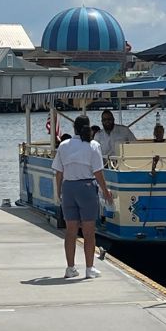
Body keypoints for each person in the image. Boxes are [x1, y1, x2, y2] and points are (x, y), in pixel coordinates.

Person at [52, 115, 113, 279]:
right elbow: (98, 172)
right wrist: (106, 192)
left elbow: (59, 172)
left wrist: (59, 191)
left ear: (74, 129)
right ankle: (89, 268)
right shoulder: (93, 145)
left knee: (70, 231)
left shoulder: (64, 145)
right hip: (86, 188)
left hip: (69, 188)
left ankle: (70, 268)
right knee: (89, 232)